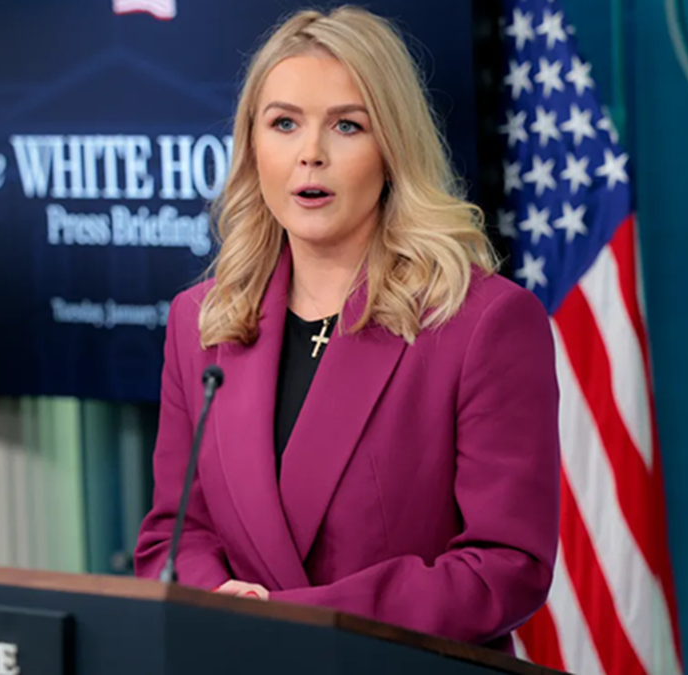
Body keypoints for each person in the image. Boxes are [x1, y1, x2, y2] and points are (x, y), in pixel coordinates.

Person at [133, 5, 560, 653]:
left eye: (347, 125)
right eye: (284, 123)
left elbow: (505, 567)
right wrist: (218, 600)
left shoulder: (482, 322)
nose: (311, 154)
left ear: (392, 148)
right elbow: (174, 535)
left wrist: (291, 617)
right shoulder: (200, 321)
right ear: (252, 146)